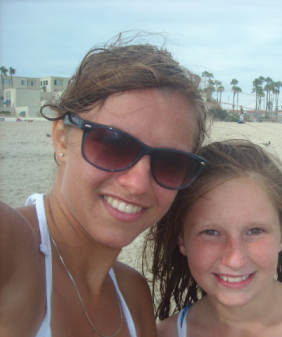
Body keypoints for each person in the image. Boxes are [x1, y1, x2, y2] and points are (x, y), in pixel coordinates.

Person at [0, 32, 208, 337]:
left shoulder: (133, 295)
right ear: (61, 138)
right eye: (113, 144)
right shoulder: (13, 247)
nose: (137, 184)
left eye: (170, 162)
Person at [146, 139, 282, 337]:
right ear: (181, 239)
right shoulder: (166, 333)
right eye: (211, 232)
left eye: (255, 231)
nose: (235, 259)